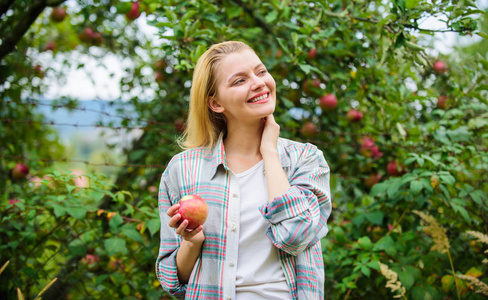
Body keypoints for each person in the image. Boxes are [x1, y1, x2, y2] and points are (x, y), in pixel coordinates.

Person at [155, 41, 332, 300]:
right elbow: (172, 280)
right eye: (239, 81)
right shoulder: (183, 170)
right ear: (215, 103)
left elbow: (295, 236)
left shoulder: (305, 159)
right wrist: (192, 243)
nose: (259, 82)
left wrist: (269, 153)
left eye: (261, 72)